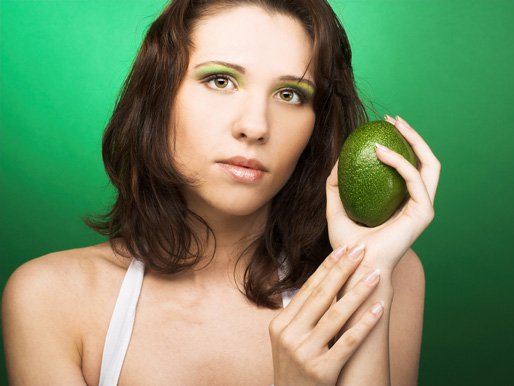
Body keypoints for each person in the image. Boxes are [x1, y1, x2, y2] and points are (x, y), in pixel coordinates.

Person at [2, 0, 440, 385]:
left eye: (290, 94)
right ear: (160, 93)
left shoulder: (388, 276)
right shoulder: (48, 299)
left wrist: (369, 274)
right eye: (220, 81)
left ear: (316, 125)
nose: (254, 126)